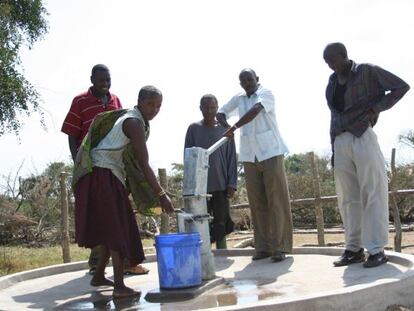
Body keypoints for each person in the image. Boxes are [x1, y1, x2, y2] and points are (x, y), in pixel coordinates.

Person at [73, 85, 174, 298]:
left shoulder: (134, 119)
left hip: (107, 174)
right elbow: (143, 164)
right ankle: (119, 286)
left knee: (112, 226)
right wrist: (161, 194)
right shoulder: (134, 123)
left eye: (158, 106)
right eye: (150, 104)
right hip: (102, 174)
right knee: (117, 229)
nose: (154, 109)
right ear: (139, 101)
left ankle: (99, 275)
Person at [323, 42, 410, 268]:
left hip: (362, 135)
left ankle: (376, 250)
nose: (331, 66)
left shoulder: (367, 71)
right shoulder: (332, 82)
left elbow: (401, 87)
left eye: (333, 60)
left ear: (344, 56)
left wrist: (376, 108)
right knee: (348, 198)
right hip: (340, 140)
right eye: (327, 63)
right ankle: (353, 249)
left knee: (373, 192)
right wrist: (333, 148)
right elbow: (334, 116)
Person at [61, 64, 148, 276]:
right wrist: (80, 163)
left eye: (108, 80)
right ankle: (98, 266)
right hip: (91, 164)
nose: (105, 84)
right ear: (92, 80)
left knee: (113, 215)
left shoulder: (116, 101)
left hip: (113, 166)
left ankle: (112, 268)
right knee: (101, 214)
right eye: (101, 80)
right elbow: (72, 134)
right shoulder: (80, 101)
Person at [217, 68, 293, 262]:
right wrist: (226, 126)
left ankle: (280, 247)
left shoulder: (265, 93)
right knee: (257, 203)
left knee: (276, 200)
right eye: (243, 81)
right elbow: (221, 112)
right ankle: (263, 247)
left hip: (271, 152)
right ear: (240, 83)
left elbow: (256, 111)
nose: (247, 84)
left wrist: (234, 127)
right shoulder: (239, 98)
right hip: (250, 156)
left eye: (250, 80)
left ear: (257, 79)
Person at [184, 94, 237, 249]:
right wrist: (190, 185)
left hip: (221, 184)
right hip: (200, 187)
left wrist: (231, 184)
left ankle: (222, 253)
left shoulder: (225, 130)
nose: (209, 110)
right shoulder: (193, 129)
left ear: (217, 107)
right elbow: (188, 157)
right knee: (200, 221)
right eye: (206, 107)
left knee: (222, 222)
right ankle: (204, 254)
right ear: (200, 108)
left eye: (212, 107)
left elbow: (231, 158)